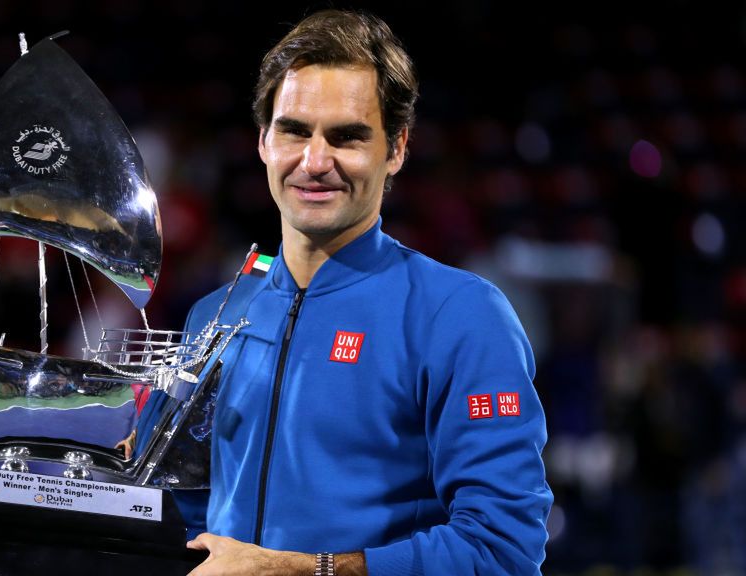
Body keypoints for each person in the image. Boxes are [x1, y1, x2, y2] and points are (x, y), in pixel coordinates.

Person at [180, 9, 553, 576]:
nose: (315, 161)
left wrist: (298, 571)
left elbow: (499, 550)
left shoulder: (459, 316)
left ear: (396, 148)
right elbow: (177, 516)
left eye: (347, 137)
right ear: (263, 141)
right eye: (295, 130)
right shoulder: (215, 315)